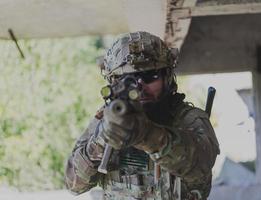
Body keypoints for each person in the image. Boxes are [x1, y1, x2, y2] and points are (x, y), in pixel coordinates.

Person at [65, 31, 220, 200]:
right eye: (128, 79)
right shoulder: (108, 120)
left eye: (149, 76)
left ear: (167, 77)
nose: (139, 87)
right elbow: (74, 185)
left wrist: (146, 135)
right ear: (113, 83)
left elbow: (200, 167)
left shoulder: (190, 119)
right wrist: (101, 140)